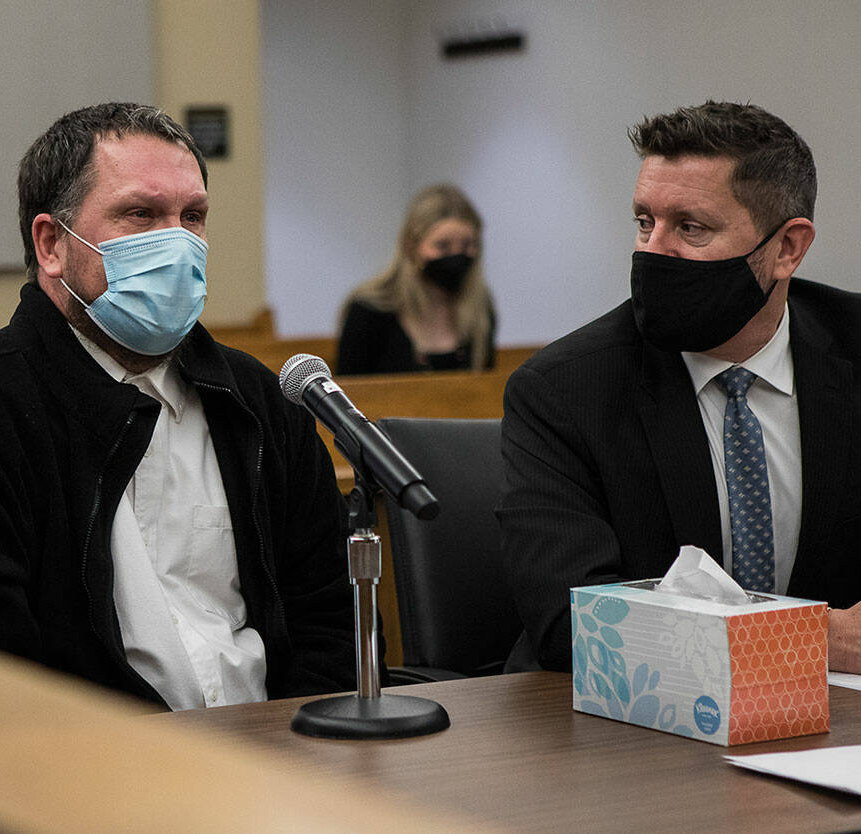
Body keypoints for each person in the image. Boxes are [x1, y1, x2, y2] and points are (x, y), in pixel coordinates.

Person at [0, 103, 356, 710]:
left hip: (282, 763)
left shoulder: (259, 403)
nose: (176, 242)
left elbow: (328, 622)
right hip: (84, 783)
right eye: (139, 215)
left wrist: (303, 758)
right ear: (50, 245)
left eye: (192, 217)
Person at [498, 101, 861, 674]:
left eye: (690, 228)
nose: (652, 250)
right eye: (645, 221)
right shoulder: (564, 392)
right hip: (619, 729)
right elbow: (573, 624)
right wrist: (811, 639)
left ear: (787, 248)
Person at [335, 184, 496, 375]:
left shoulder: (479, 309)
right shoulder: (369, 310)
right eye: (443, 246)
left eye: (468, 245)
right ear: (412, 246)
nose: (457, 255)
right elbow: (348, 394)